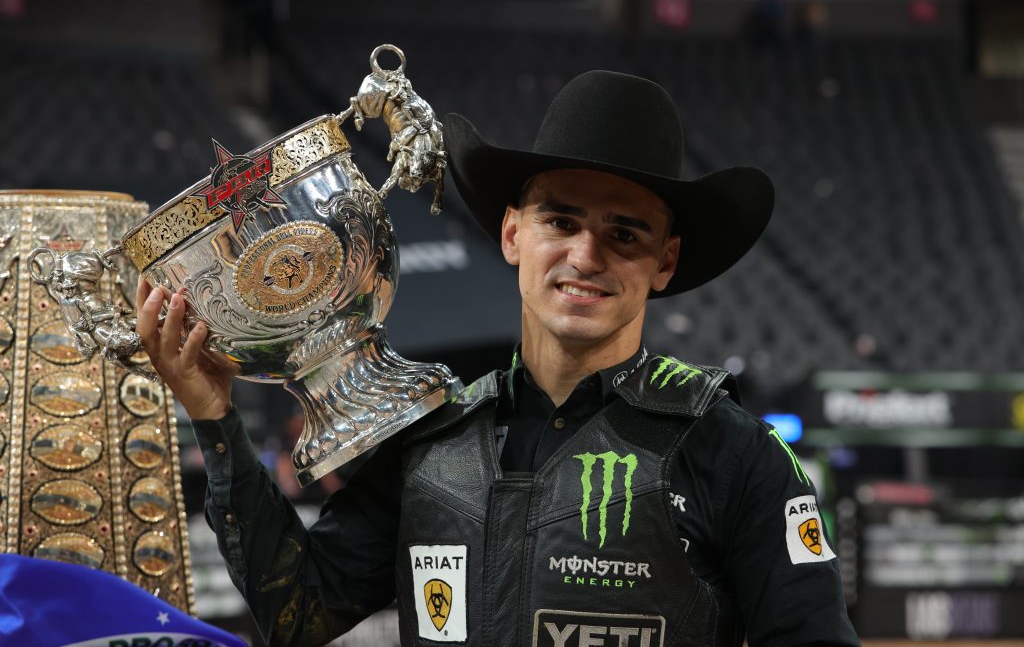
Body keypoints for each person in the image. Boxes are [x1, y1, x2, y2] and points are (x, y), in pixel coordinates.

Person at [137, 70, 861, 647]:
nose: (585, 254)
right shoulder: (432, 440)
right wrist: (214, 415)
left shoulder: (733, 453)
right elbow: (295, 613)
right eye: (562, 220)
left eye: (625, 233)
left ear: (664, 262)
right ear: (513, 233)